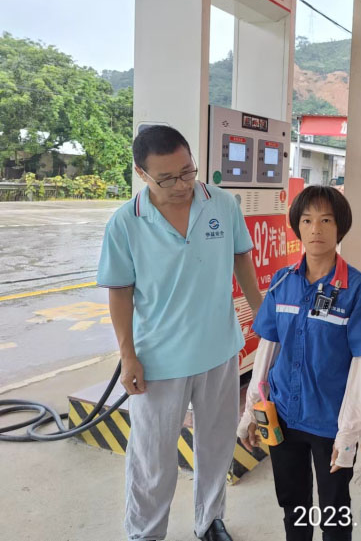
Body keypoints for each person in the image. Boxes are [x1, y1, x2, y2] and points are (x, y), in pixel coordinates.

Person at [99, 125, 262, 541]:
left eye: (187, 171)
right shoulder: (126, 222)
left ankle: (209, 521)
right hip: (158, 360)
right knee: (151, 458)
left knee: (216, 446)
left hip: (219, 349)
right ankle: (146, 532)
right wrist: (128, 355)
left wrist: (260, 309)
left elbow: (241, 257)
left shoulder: (221, 203)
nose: (182, 184)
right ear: (141, 173)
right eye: (167, 178)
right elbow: (120, 292)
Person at [237, 185, 361, 541]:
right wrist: (252, 411)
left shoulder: (358, 289)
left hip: (329, 422)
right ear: (297, 227)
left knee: (334, 510)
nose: (316, 229)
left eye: (326, 220)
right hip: (283, 415)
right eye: (307, 220)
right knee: (293, 506)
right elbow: (268, 350)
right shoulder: (283, 282)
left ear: (340, 227)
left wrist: (349, 434)